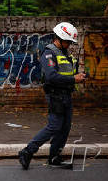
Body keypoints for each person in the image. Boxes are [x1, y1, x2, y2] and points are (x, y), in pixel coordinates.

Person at [18, 22, 87, 170]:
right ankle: (27, 151)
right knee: (54, 126)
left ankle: (54, 158)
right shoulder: (49, 52)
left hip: (67, 95)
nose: (69, 44)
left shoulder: (65, 54)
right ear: (60, 38)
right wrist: (74, 79)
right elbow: (51, 77)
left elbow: (67, 73)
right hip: (56, 96)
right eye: (68, 41)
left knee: (65, 128)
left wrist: (78, 76)